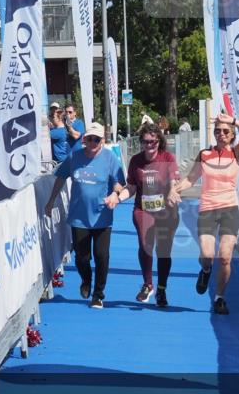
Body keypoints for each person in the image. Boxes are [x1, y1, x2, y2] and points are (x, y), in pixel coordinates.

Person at [173, 113, 239, 316]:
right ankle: (206, 270)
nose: (221, 134)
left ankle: (220, 298)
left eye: (225, 131)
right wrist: (174, 190)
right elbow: (191, 179)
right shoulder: (204, 154)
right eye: (218, 131)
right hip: (208, 208)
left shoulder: (237, 153)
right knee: (208, 255)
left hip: (229, 208)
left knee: (226, 258)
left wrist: (233, 121)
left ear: (232, 135)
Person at [43, 122, 125, 309]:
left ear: (102, 141)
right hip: (79, 216)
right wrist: (51, 201)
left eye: (97, 139)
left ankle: (98, 294)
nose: (93, 142)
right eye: (90, 139)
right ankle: (86, 280)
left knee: (102, 256)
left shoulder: (109, 158)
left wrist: (115, 193)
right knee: (82, 257)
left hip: (102, 216)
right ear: (84, 140)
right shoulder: (75, 156)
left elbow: (119, 182)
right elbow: (61, 178)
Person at [119, 123, 181, 307]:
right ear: (141, 143)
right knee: (145, 244)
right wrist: (117, 199)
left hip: (166, 211)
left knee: (163, 250)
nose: (149, 145)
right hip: (143, 209)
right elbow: (131, 187)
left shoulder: (167, 157)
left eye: (153, 142)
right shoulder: (136, 161)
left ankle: (161, 289)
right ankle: (148, 284)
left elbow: (173, 181)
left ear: (159, 141)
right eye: (146, 142)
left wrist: (171, 193)